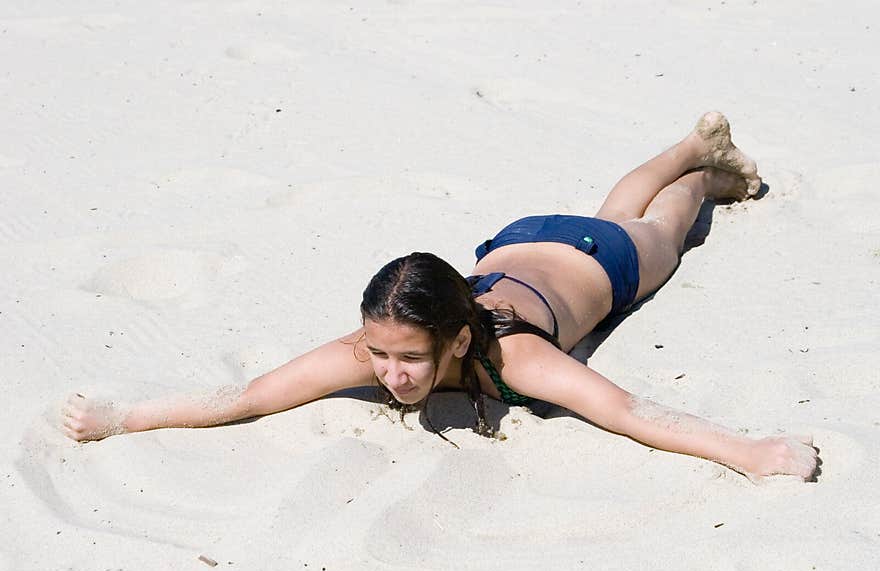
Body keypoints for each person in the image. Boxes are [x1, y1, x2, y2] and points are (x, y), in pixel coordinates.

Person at [61, 111, 819, 482]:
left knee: (661, 223)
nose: (391, 374)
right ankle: (693, 152)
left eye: (410, 360)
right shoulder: (379, 342)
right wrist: (119, 418)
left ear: (457, 340)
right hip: (513, 242)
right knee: (614, 204)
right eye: (382, 354)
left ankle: (700, 168)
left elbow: (627, 412)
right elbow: (250, 396)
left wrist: (751, 453)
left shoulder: (514, 355)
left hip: (604, 260)